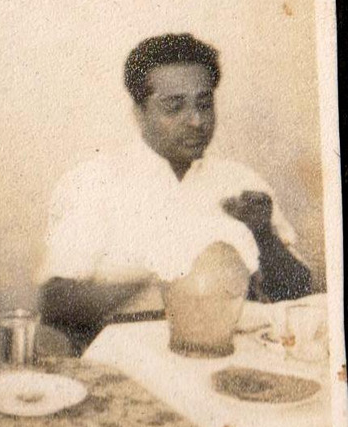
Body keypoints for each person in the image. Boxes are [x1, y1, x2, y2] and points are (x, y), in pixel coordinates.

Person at [39, 33, 312, 349]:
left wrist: (264, 234)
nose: (196, 121)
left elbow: (300, 297)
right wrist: (160, 274)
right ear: (139, 113)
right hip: (133, 365)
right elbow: (54, 303)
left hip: (235, 359)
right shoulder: (93, 182)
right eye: (174, 106)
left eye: (205, 104)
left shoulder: (241, 182)